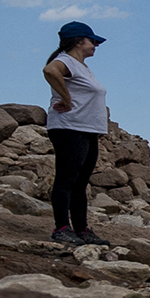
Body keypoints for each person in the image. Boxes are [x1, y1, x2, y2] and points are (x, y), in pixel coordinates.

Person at [41, 20, 110, 247]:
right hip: (70, 127)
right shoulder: (65, 61)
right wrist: (66, 99)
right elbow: (50, 70)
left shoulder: (81, 66)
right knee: (67, 179)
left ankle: (81, 229)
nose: (95, 45)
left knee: (80, 182)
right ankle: (61, 228)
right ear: (79, 41)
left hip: (86, 129)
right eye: (92, 41)